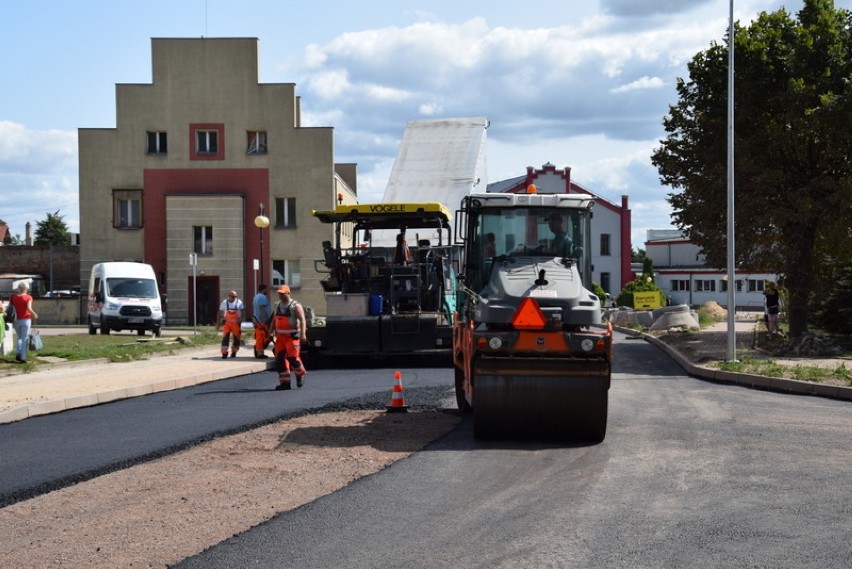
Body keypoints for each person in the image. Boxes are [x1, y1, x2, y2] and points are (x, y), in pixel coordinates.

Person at [269, 284, 307, 390]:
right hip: (280, 337)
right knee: (279, 360)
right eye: (279, 294)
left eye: (283, 293)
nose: (280, 295)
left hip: (292, 336)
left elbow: (303, 320)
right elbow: (274, 320)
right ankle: (285, 383)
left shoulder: (295, 306)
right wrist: (270, 331)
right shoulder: (277, 305)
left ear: (288, 293)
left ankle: (300, 374)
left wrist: (303, 334)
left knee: (292, 358)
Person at [10, 282, 38, 364]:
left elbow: (10, 308)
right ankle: (23, 357)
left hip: (15, 320)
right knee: (24, 338)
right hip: (25, 320)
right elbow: (29, 308)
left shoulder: (13, 297)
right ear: (26, 288)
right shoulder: (28, 297)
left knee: (19, 337)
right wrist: (34, 314)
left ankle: (18, 354)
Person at [216, 290, 244, 359]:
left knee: (236, 339)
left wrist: (241, 319)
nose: (234, 298)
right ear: (229, 296)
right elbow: (220, 312)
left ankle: (234, 352)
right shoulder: (225, 302)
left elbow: (243, 311)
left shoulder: (239, 302)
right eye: (232, 296)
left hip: (236, 324)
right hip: (227, 324)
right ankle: (224, 353)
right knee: (225, 338)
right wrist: (218, 323)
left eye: (235, 296)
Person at [252, 283, 272, 359]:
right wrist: (267, 320)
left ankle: (258, 350)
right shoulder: (262, 297)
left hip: (256, 319)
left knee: (259, 337)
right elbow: (262, 309)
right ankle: (259, 353)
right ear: (263, 289)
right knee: (262, 337)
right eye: (267, 289)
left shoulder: (256, 297)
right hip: (262, 321)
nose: (267, 290)